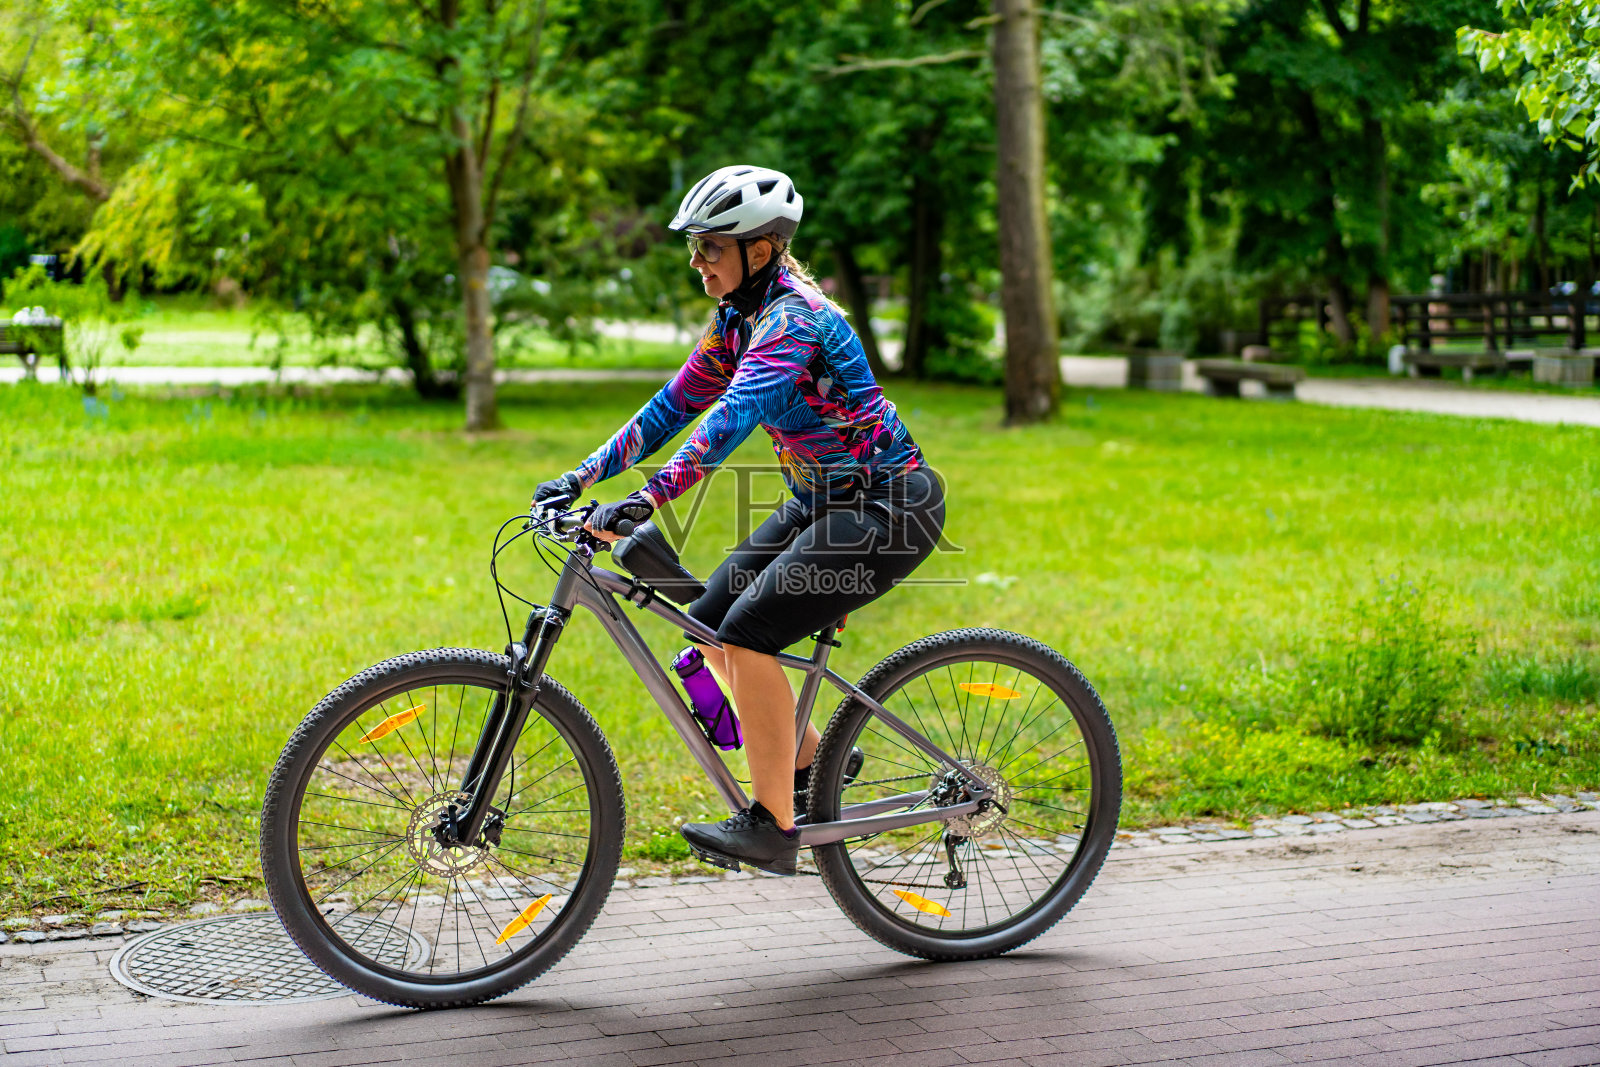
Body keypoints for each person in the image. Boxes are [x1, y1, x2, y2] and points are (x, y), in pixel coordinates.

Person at [533, 164, 945, 875]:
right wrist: (580, 476)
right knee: (709, 619)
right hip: (822, 499)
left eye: (710, 247)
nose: (697, 262)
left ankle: (772, 826)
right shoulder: (737, 319)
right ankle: (813, 764)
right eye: (694, 246)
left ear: (761, 249)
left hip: (889, 506)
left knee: (749, 633)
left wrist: (646, 499)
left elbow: (731, 418)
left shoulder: (794, 320)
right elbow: (672, 406)